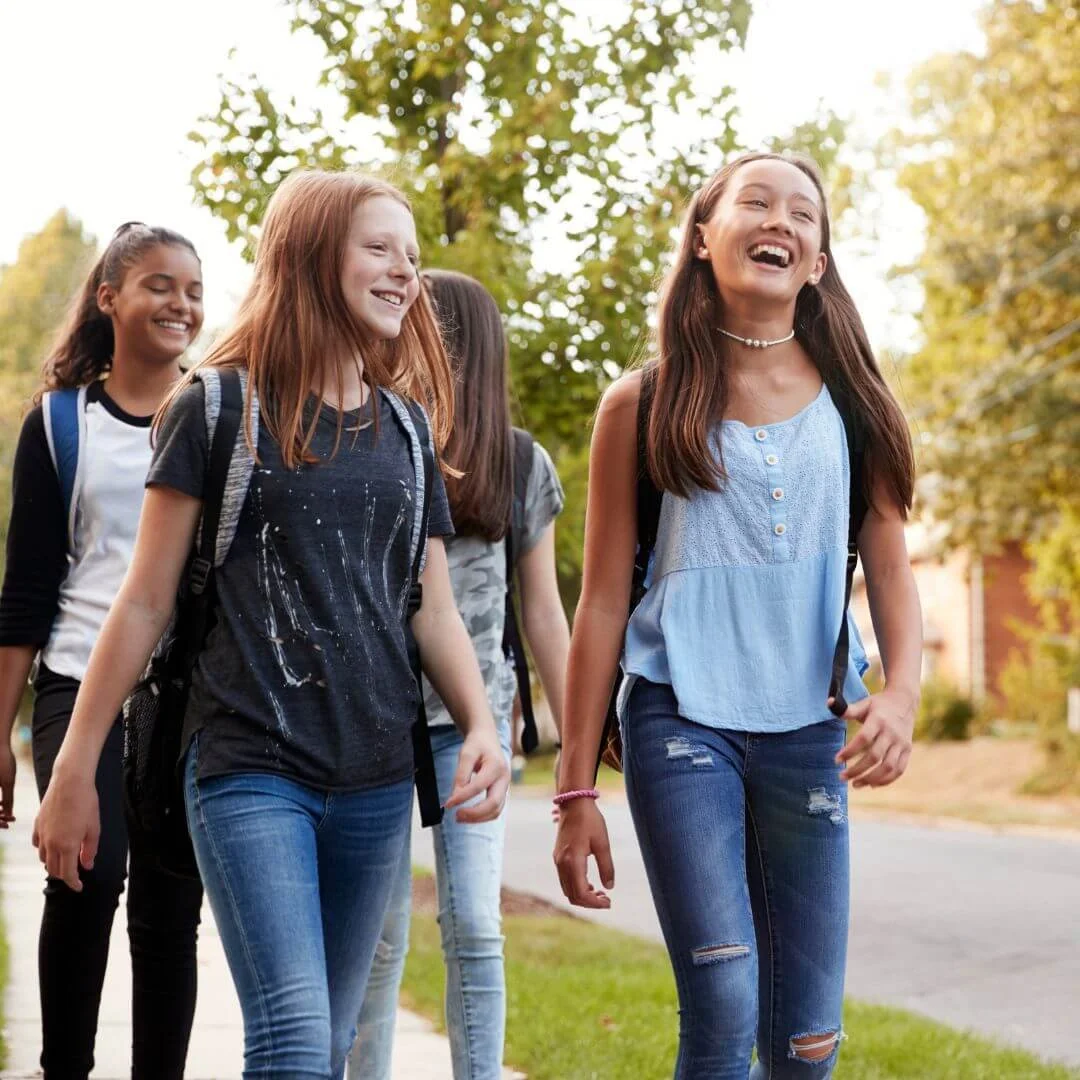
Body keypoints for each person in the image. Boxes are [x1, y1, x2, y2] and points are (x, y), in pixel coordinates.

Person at [32, 172, 511, 1079]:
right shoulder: (215, 406)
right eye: (380, 248)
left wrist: (481, 723)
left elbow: (433, 608)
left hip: (374, 780)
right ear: (307, 254)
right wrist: (72, 770)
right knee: (291, 1038)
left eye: (412, 255)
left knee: (327, 1044)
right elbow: (143, 600)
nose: (405, 272)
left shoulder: (407, 428)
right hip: (248, 767)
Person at [553, 151, 922, 1079]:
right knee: (721, 1001)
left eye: (804, 213)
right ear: (703, 237)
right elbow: (599, 604)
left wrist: (905, 694)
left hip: (811, 729)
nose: (782, 221)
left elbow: (889, 563)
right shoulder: (638, 403)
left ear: (820, 260)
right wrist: (572, 793)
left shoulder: (858, 404)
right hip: (680, 719)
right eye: (755, 202)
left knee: (807, 1042)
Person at [350, 270, 570, 1080]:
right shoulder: (368, 437)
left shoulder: (519, 464)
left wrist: (579, 738)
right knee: (378, 937)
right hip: (368, 724)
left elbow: (544, 612)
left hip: (469, 731)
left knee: (474, 925)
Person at [0, 222, 205, 1079]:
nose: (182, 304)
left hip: (185, 699)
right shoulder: (58, 426)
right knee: (86, 874)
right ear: (110, 296)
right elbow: (27, 589)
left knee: (169, 906)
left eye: (193, 290)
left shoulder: (219, 410)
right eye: (160, 285)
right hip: (77, 679)